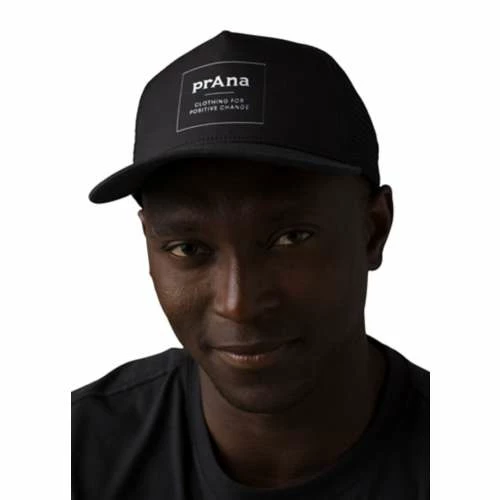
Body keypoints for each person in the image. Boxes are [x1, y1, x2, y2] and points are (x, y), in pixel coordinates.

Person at [72, 30, 429, 499]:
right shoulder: (71, 453)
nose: (237, 305)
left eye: (290, 238)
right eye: (188, 248)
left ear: (374, 230)